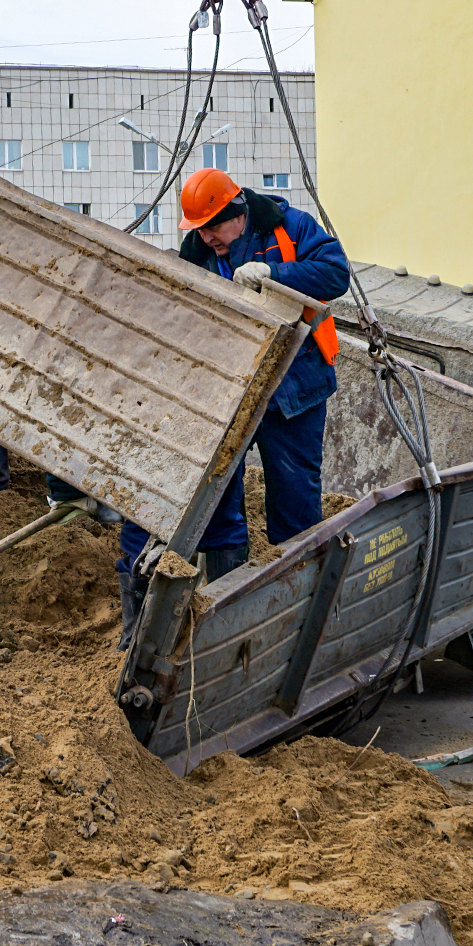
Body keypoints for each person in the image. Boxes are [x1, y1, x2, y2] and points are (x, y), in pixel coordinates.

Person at [114, 169, 350, 645]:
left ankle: (297, 615)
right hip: (233, 396)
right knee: (221, 502)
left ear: (238, 214)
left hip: (294, 391)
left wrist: (275, 275)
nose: (207, 237)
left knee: (295, 500)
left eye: (214, 227)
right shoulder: (199, 252)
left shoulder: (290, 227)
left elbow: (335, 273)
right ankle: (227, 615)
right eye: (199, 229)